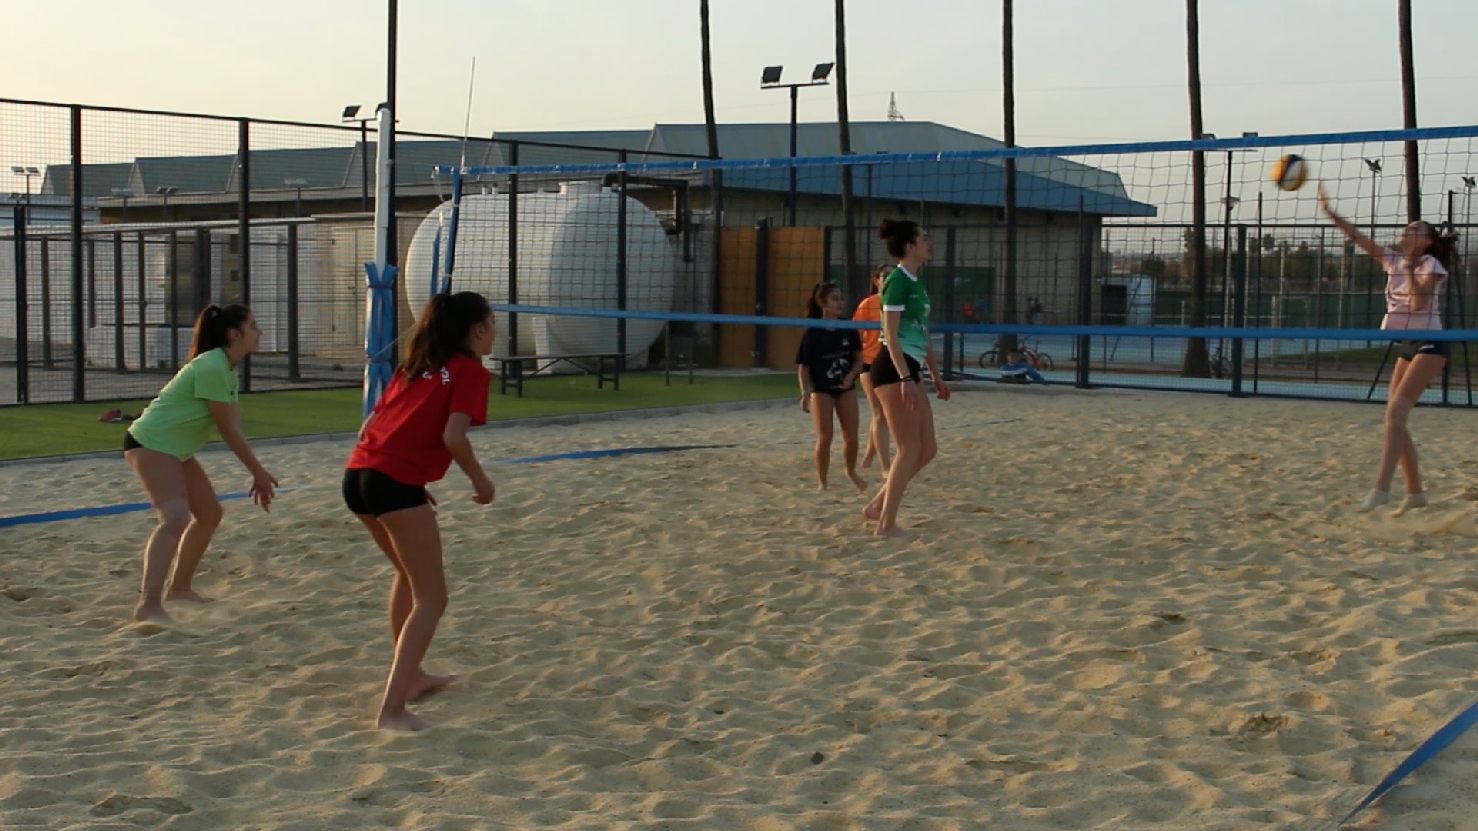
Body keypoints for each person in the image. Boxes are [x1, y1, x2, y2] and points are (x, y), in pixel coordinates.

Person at [344, 291, 497, 731]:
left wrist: (409, 478)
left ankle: (411, 677)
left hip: (358, 474)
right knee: (433, 597)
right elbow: (453, 436)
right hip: (390, 481)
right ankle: (392, 710)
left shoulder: (417, 364)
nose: (495, 332)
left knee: (409, 577)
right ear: (477, 329)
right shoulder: (468, 370)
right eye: (492, 323)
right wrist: (480, 481)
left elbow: (371, 425)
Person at [123, 304, 277, 623]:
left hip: (174, 448)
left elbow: (233, 427)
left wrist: (258, 472)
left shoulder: (226, 369)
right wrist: (257, 472)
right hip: (151, 443)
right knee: (175, 517)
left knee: (209, 514)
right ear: (234, 334)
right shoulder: (211, 365)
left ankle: (179, 588)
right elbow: (227, 430)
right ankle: (148, 604)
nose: (259, 331)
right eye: (253, 325)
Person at [1319, 184, 1457, 515]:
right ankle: (1415, 493)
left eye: (1415, 229)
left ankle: (1381, 489)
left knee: (1396, 413)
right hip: (1406, 343)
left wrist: (1409, 267)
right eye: (1408, 227)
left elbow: (1419, 303)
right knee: (1394, 418)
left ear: (1426, 241)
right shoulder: (1391, 259)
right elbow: (1357, 237)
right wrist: (1330, 212)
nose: (1407, 230)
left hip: (1430, 341)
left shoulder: (1430, 264)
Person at [864, 219, 951, 537]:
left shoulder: (916, 282)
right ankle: (885, 524)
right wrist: (904, 378)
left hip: (911, 368)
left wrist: (935, 375)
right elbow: (890, 335)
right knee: (908, 447)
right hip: (892, 369)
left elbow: (922, 334)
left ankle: (877, 505)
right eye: (924, 239)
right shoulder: (897, 281)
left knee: (927, 448)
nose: (930, 243)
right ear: (910, 246)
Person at [796, 281, 866, 492]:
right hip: (821, 388)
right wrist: (804, 393)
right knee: (825, 437)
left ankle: (851, 472)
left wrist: (851, 376)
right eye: (835, 299)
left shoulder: (848, 327)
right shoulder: (813, 332)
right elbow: (803, 367)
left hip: (845, 387)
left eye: (841, 298)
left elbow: (859, 359)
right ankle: (823, 483)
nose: (840, 303)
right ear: (822, 302)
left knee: (851, 438)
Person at [852, 264, 891, 471]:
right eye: (885, 275)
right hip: (870, 362)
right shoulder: (868, 304)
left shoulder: (899, 302)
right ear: (876, 280)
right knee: (880, 413)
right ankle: (886, 467)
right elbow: (855, 335)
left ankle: (868, 457)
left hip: (892, 362)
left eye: (892, 275)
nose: (889, 279)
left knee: (884, 415)